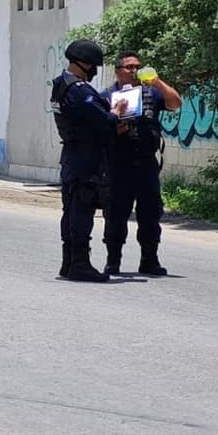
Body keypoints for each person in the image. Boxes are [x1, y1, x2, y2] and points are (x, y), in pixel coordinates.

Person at [50, 39, 128, 283]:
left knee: (71, 210)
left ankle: (69, 262)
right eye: (93, 65)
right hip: (85, 159)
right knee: (81, 210)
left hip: (73, 156)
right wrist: (116, 114)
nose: (95, 70)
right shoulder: (79, 90)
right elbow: (102, 121)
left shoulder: (61, 84)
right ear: (83, 63)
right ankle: (79, 264)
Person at [101, 52, 182, 276]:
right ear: (118, 71)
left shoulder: (151, 93)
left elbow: (175, 103)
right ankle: (113, 260)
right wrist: (115, 128)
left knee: (150, 214)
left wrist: (157, 82)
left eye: (138, 66)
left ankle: (149, 260)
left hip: (146, 163)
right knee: (116, 214)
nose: (134, 70)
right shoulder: (107, 97)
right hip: (118, 164)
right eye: (129, 67)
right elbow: (99, 129)